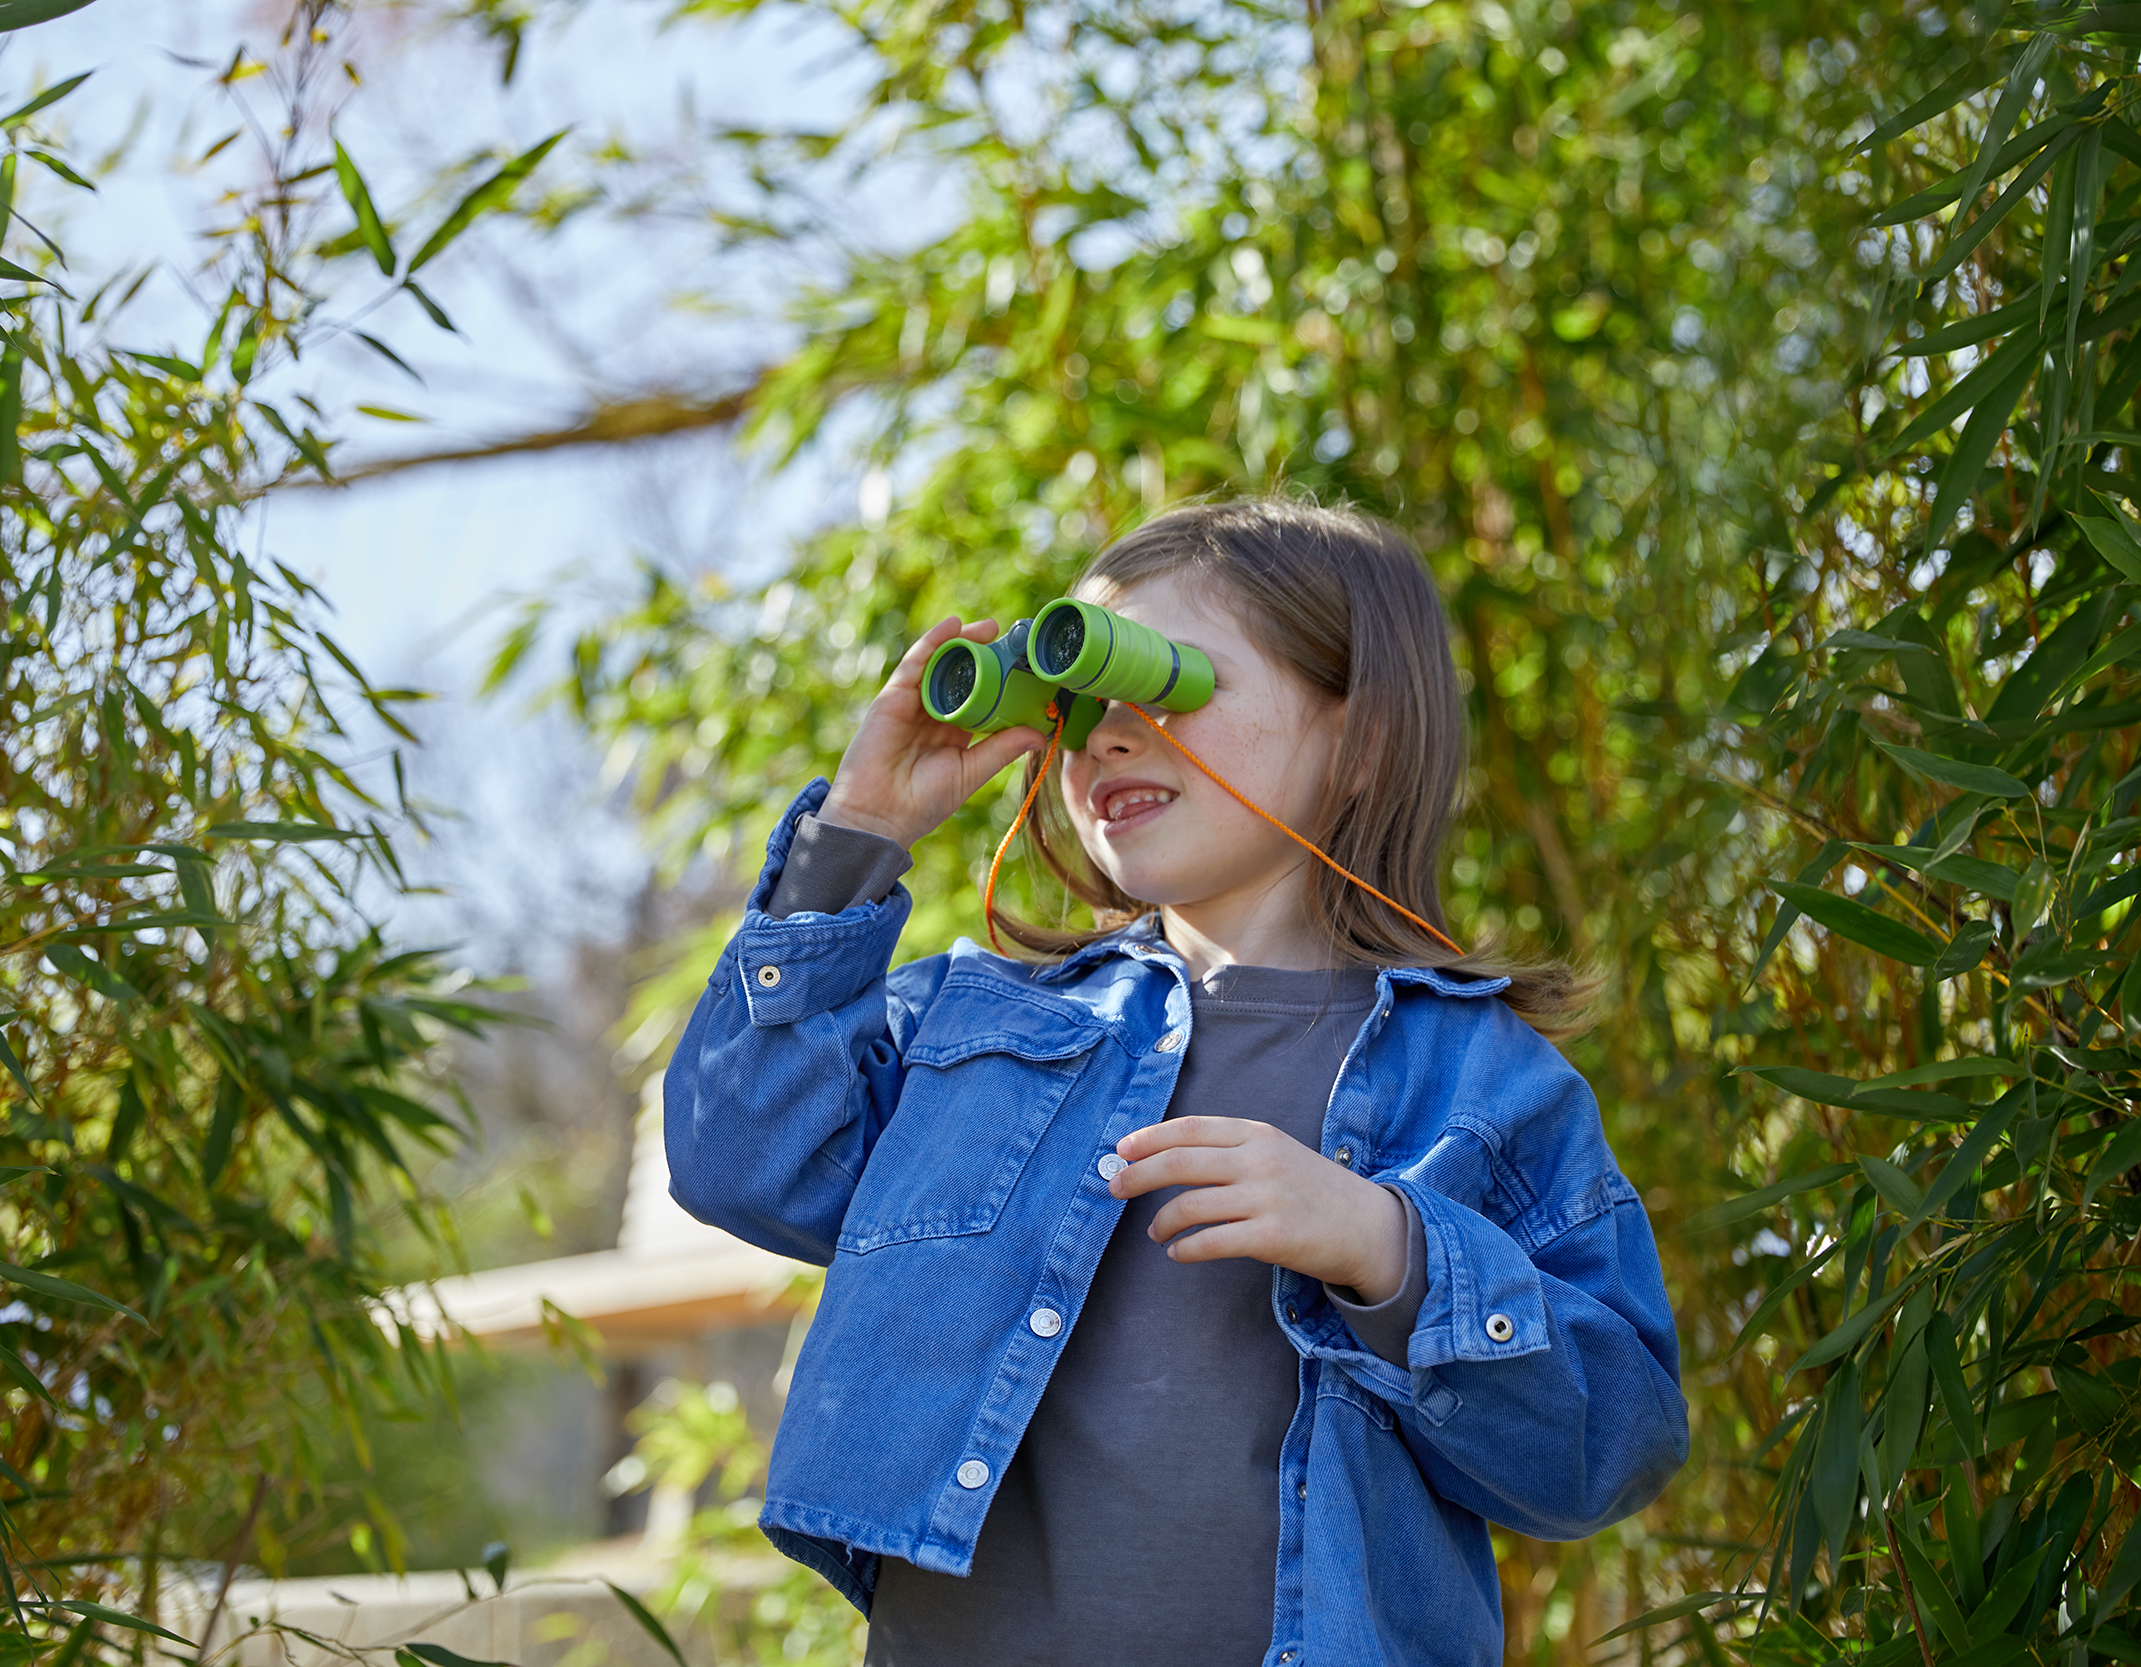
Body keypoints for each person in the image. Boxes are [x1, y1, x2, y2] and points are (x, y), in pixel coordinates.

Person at [661, 498, 1688, 1666]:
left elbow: (1611, 1448)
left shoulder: (1483, 1081)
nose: (1108, 736)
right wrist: (851, 835)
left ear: (1362, 741)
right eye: (1080, 699)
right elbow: (738, 1156)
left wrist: (1389, 1248)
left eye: (1163, 680)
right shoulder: (969, 1029)